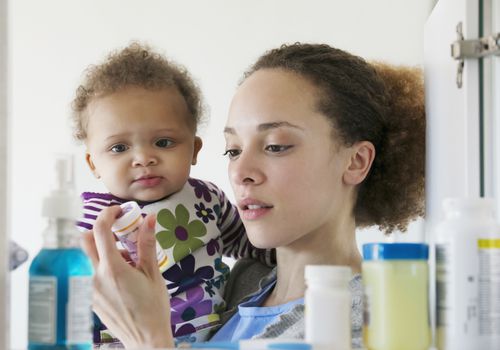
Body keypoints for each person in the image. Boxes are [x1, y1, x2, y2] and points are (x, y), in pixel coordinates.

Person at [81, 42, 425, 349]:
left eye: (275, 146)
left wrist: (149, 341)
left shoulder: (366, 326)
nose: (240, 172)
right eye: (232, 150)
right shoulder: (242, 281)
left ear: (356, 161)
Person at [71, 42, 274, 346]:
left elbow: (250, 243)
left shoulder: (208, 199)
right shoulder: (95, 217)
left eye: (164, 143)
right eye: (119, 148)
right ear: (93, 163)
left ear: (194, 149)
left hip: (212, 337)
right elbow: (75, 295)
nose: (143, 158)